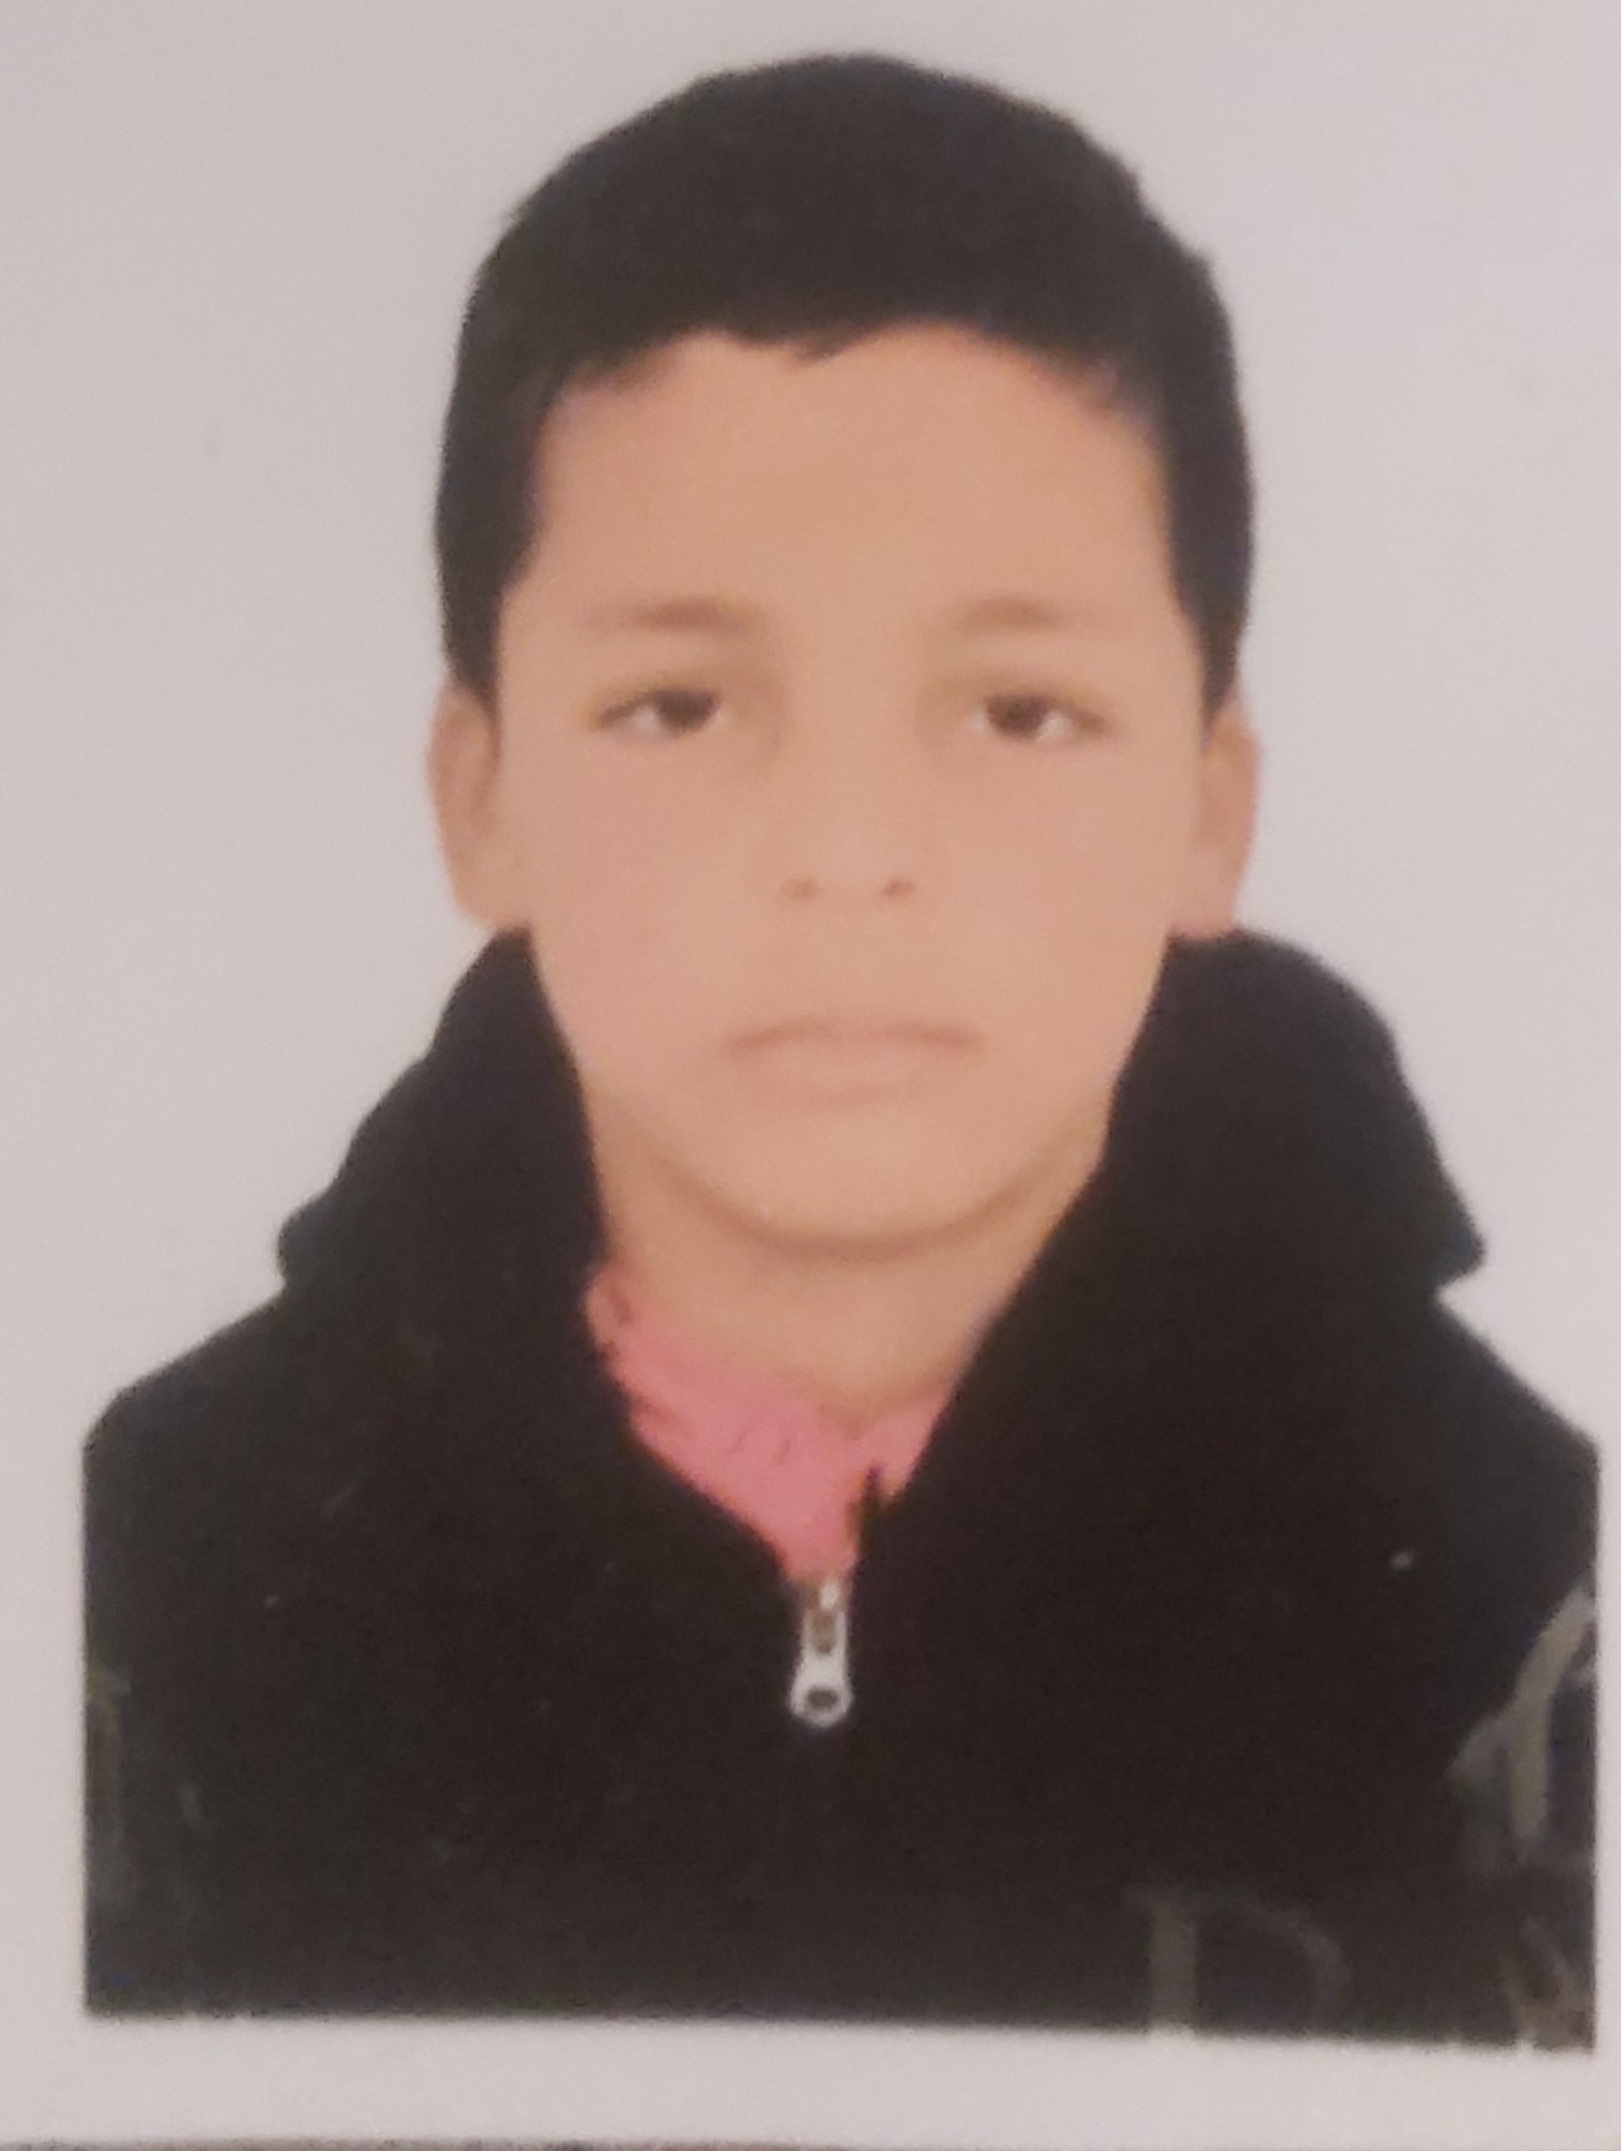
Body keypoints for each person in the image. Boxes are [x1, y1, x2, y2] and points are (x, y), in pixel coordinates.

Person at [83, 51, 1596, 2041]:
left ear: (1208, 807)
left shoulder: (1520, 1614)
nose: (849, 852)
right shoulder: (150, 1592)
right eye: (681, 706)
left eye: (1018, 712)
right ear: (482, 793)